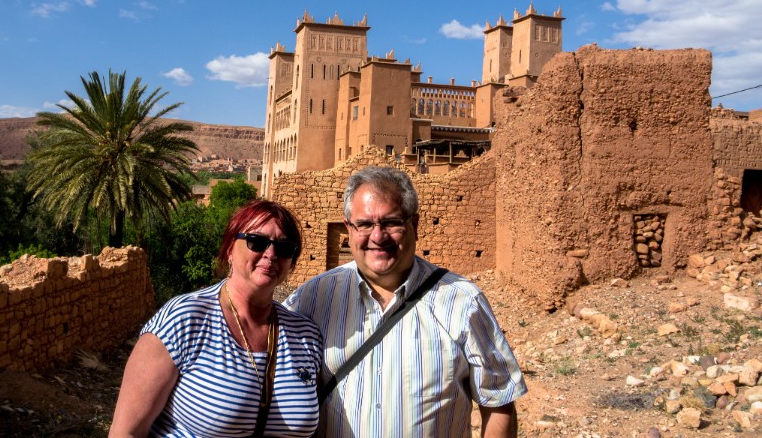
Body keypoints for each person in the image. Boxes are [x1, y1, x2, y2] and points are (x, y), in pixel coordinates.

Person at [285, 166, 526, 437]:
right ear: (349, 229)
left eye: (391, 222)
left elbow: (498, 402)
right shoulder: (313, 299)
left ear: (415, 225)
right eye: (364, 224)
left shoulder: (462, 302)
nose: (378, 236)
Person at [109, 200, 323, 438]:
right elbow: (126, 432)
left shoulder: (305, 335)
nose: (271, 254)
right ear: (230, 249)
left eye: (284, 248)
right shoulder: (184, 319)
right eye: (257, 241)